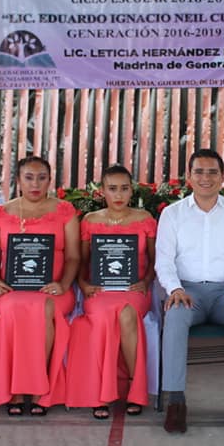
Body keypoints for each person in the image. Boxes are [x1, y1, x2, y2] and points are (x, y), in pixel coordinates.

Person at [155, 149, 224, 433]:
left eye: (212, 172)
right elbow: (163, 261)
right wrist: (174, 289)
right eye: (199, 172)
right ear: (188, 177)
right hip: (187, 292)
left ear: (222, 178)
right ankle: (176, 401)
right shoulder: (172, 215)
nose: (205, 178)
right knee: (174, 317)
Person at [0, 156, 80, 416]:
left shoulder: (65, 211)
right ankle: (14, 391)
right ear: (18, 181)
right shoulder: (1, 214)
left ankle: (39, 390)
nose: (35, 183)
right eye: (29, 177)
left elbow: (73, 257)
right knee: (13, 308)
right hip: (11, 289)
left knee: (43, 306)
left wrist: (63, 283)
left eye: (42, 177)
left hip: (54, 290)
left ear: (50, 179)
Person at [66, 165, 156, 419]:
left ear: (132, 190)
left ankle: (133, 389)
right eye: (112, 189)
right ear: (102, 191)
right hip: (100, 290)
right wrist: (84, 285)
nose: (119, 195)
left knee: (127, 315)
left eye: (124, 189)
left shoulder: (144, 218)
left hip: (133, 289)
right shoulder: (90, 221)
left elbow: (154, 260)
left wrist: (146, 282)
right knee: (105, 316)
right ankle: (102, 393)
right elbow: (83, 261)